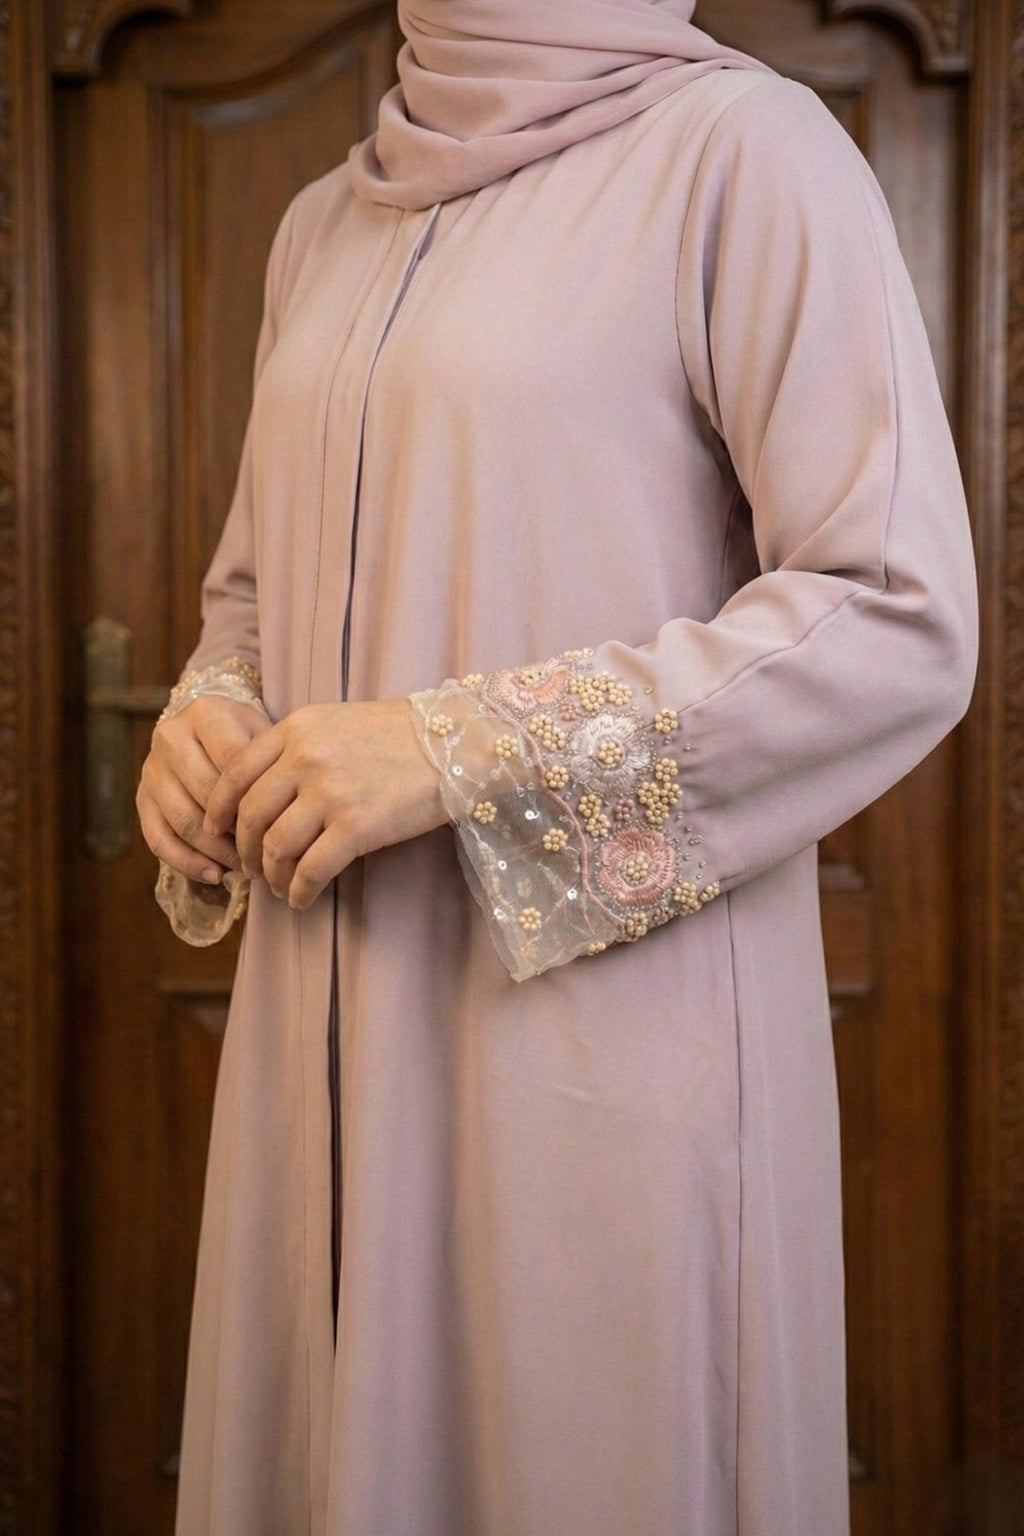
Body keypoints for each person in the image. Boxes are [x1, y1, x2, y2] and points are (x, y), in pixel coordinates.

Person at [136, 2, 978, 1532]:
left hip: (591, 1045)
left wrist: (451, 752)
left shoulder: (743, 157)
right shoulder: (324, 222)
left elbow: (893, 613)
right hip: (316, 1039)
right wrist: (209, 717)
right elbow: (249, 598)